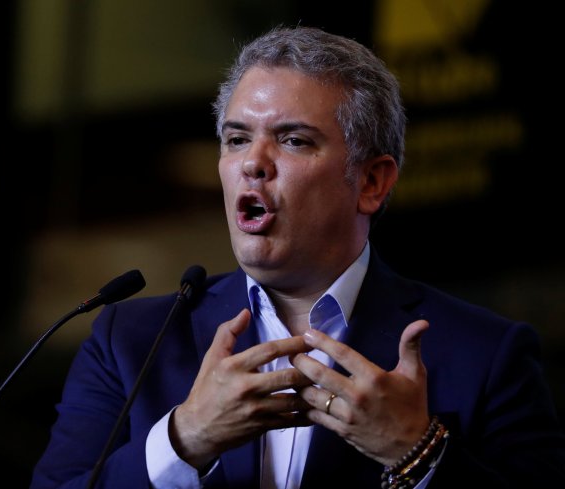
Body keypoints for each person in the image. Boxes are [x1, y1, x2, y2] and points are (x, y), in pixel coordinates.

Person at [30, 26, 565, 489]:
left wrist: (417, 453)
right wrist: (185, 439)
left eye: (293, 140)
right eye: (237, 139)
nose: (253, 164)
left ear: (372, 182)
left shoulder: (487, 355)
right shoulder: (129, 341)